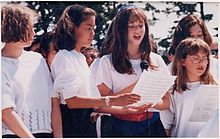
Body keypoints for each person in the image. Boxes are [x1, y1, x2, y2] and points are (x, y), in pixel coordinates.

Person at [51, 4, 142, 137]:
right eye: (89, 28)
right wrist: (113, 100)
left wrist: (125, 109)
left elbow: (92, 101)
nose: (93, 33)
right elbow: (72, 101)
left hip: (87, 126)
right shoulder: (64, 57)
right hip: (73, 126)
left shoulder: (79, 58)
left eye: (93, 28)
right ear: (73, 28)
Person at [96, 4, 170, 137]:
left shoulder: (156, 60)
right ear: (121, 30)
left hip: (151, 125)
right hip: (119, 126)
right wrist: (137, 86)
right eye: (131, 26)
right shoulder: (107, 62)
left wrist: (151, 102)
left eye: (141, 26)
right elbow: (101, 103)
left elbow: (166, 102)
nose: (138, 30)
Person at [1, 4, 55, 138]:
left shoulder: (38, 60)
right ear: (16, 27)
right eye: (30, 28)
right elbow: (6, 111)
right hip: (12, 134)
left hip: (46, 133)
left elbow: (53, 101)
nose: (34, 33)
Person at [160, 38, 217, 137]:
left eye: (205, 58)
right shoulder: (172, 90)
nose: (201, 63)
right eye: (195, 58)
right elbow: (166, 126)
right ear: (182, 62)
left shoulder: (215, 87)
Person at [167, 14, 218, 82]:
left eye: (199, 35)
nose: (196, 40)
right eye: (191, 36)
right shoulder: (170, 71)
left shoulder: (216, 65)